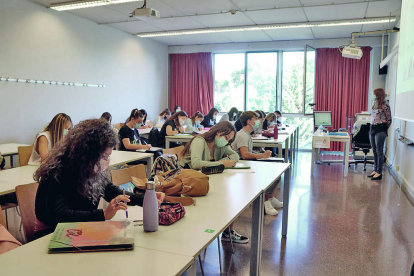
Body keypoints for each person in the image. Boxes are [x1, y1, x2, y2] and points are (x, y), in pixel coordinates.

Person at [34, 119, 165, 239]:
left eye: (108, 155)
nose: (106, 161)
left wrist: (146, 198)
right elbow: (59, 214)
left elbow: (112, 191)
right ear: (87, 153)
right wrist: (102, 215)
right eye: (104, 155)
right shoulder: (57, 172)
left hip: (80, 229)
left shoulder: (90, 169)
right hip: (52, 234)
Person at [180, 121, 248, 244]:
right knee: (225, 199)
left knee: (230, 199)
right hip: (189, 184)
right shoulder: (199, 141)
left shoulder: (220, 145)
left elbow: (235, 156)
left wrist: (225, 160)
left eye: (230, 140)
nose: (227, 141)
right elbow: (196, 164)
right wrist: (222, 163)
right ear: (218, 132)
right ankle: (212, 231)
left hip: (207, 180)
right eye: (227, 137)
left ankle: (227, 232)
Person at [231, 111, 282, 215]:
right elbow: (244, 155)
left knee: (277, 173)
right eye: (256, 119)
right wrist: (262, 156)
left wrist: (262, 154)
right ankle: (265, 201)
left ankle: (269, 197)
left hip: (247, 163)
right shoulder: (242, 135)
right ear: (249, 121)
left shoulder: (247, 134)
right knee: (269, 174)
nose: (258, 121)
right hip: (241, 165)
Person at [368, 88, 392, 181]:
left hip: (380, 129)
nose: (372, 96)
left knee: (379, 151)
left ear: (378, 95)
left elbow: (389, 120)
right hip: (372, 128)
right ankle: (375, 169)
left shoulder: (385, 106)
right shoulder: (374, 105)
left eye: (374, 94)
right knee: (374, 150)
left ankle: (379, 172)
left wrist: (384, 129)